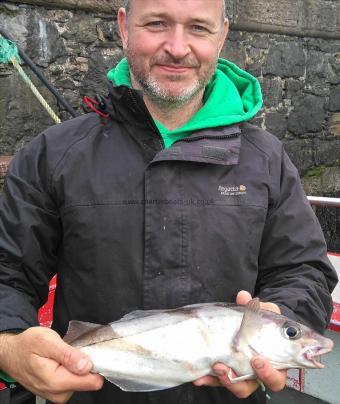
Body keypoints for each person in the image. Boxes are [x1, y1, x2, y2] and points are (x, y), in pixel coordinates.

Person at [0, 0, 337, 403]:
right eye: (158, 23)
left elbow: (303, 270)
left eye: (198, 28)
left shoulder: (267, 159)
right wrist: (8, 345)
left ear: (222, 35)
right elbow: (8, 271)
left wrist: (282, 317)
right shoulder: (51, 154)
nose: (177, 47)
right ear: (124, 27)